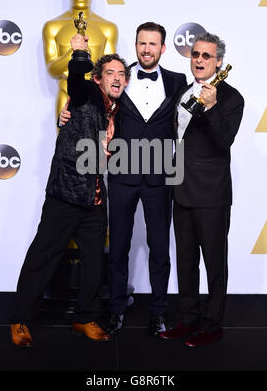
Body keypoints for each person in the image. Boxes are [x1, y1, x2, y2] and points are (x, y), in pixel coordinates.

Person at [60, 22, 187, 337]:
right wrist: (64, 113)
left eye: (153, 44)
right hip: (122, 174)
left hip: (159, 176)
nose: (147, 49)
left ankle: (158, 313)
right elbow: (84, 100)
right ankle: (115, 310)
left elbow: (187, 122)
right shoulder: (116, 77)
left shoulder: (177, 81)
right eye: (142, 43)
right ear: (136, 45)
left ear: (163, 48)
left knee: (159, 248)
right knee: (118, 247)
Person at [10, 34, 130, 347]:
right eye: (110, 73)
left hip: (94, 196)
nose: (116, 78)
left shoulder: (117, 109)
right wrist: (80, 54)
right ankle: (21, 319)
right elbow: (76, 80)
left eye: (121, 75)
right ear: (98, 78)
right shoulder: (85, 93)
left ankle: (85, 318)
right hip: (65, 191)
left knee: (94, 261)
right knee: (44, 255)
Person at [160, 32, 244, 346]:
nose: (199, 60)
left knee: (214, 262)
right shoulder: (182, 92)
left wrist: (210, 109)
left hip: (212, 193)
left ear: (218, 61)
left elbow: (224, 141)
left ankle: (212, 324)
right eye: (195, 54)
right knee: (185, 261)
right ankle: (188, 319)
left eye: (206, 56)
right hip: (180, 189)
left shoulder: (232, 97)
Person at [42, 0, 118, 119]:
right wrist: (73, 52)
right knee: (65, 141)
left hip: (97, 98)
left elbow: (110, 71)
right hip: (66, 95)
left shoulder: (108, 28)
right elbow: (52, 70)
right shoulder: (53, 27)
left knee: (98, 142)